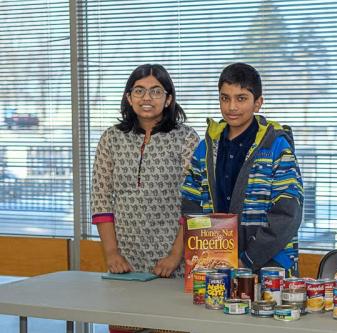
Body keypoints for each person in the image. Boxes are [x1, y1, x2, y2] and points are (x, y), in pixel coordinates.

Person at [180, 62, 303, 276]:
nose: (232, 107)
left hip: (270, 265)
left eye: (241, 98)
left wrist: (247, 260)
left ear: (258, 103)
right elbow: (190, 201)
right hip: (216, 264)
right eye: (225, 98)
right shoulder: (206, 147)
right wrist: (209, 251)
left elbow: (287, 213)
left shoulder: (276, 146)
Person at [91, 64, 199, 280]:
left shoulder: (186, 138)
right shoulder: (111, 138)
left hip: (171, 262)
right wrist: (112, 253)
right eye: (139, 91)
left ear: (168, 99)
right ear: (129, 98)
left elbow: (194, 203)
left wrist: (174, 256)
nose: (146, 98)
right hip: (124, 261)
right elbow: (101, 199)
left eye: (156, 91)